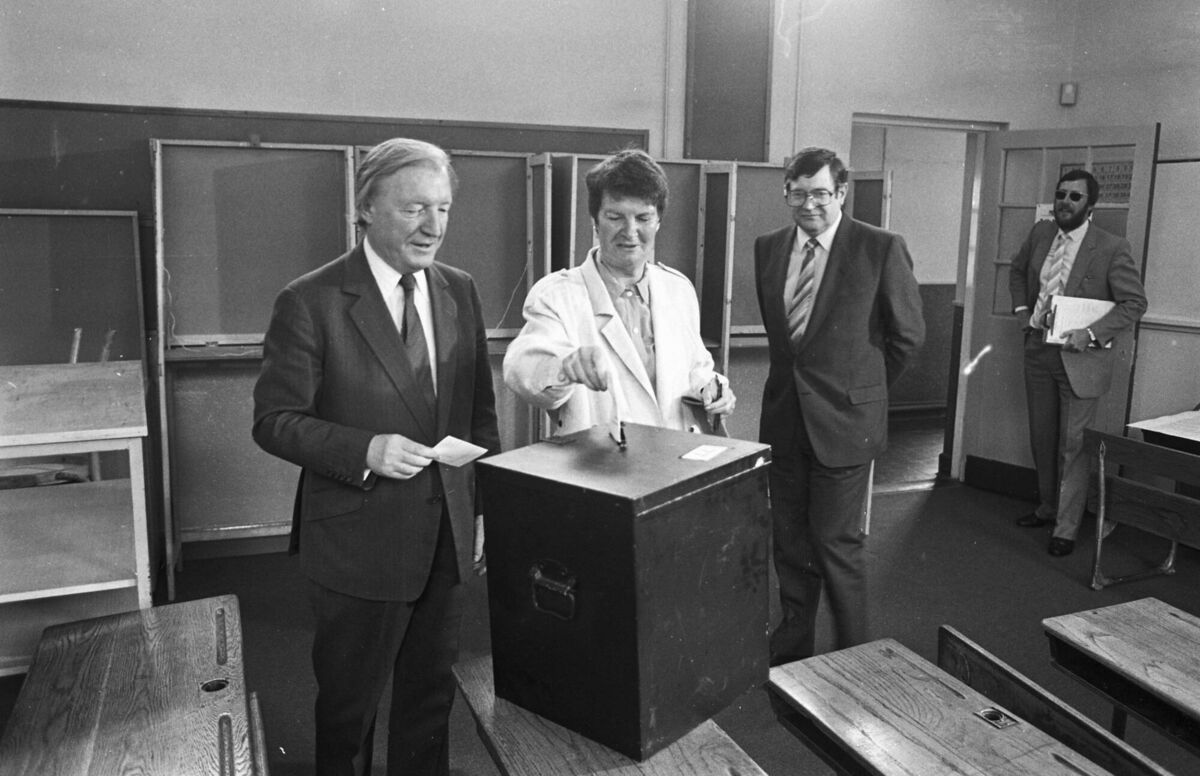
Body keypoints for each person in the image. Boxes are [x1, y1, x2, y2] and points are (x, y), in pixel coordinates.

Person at [252, 137, 500, 776]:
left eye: (443, 209)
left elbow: (479, 414)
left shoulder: (459, 290)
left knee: (428, 702)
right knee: (349, 712)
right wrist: (365, 448)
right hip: (357, 542)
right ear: (364, 208)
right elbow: (274, 422)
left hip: (444, 533)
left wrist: (482, 512)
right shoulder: (310, 300)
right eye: (415, 208)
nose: (433, 227)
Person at [755, 147, 924, 665]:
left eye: (821, 193)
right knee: (789, 540)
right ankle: (794, 645)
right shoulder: (767, 248)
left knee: (834, 542)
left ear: (841, 194)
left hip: (846, 425)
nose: (810, 204)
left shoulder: (879, 248)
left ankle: (854, 655)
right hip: (785, 421)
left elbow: (909, 338)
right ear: (786, 193)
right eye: (799, 193)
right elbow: (786, 344)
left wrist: (862, 392)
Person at [503, 148, 734, 435]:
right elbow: (521, 368)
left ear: (659, 220)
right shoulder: (558, 296)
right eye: (615, 217)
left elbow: (696, 367)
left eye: (643, 217)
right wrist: (564, 366)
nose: (630, 231)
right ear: (595, 221)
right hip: (600, 467)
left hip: (677, 463)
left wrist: (712, 387)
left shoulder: (678, 289)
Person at [1009, 168, 1147, 557]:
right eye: (1061, 194)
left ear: (1090, 205)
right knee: (1043, 435)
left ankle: (1066, 528)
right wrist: (1022, 311)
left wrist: (1090, 333)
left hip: (1080, 357)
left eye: (1075, 197)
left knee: (1073, 443)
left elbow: (1134, 303)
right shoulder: (1040, 234)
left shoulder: (1111, 247)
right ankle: (1047, 507)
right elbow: (1018, 271)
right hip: (1039, 348)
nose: (1065, 202)